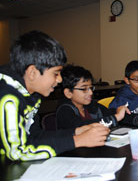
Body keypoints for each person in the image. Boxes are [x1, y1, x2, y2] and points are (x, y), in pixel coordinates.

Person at [0, 30, 109, 161]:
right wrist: (77, 141)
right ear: (32, 72)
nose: (60, 80)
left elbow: (35, 136)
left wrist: (75, 132)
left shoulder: (32, 95)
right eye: (56, 73)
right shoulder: (8, 97)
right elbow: (17, 152)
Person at [56, 64, 129, 130]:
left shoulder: (91, 105)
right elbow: (81, 127)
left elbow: (111, 113)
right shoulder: (64, 110)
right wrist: (116, 117)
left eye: (91, 88)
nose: (91, 92)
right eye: (84, 89)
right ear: (68, 93)